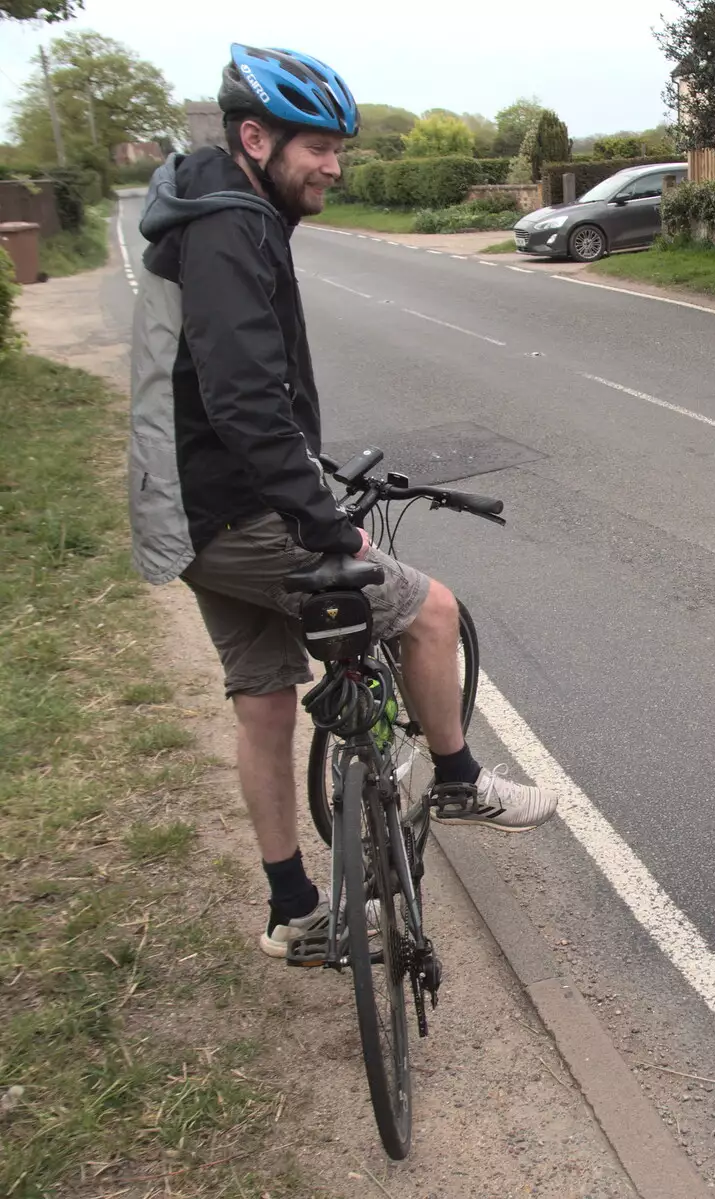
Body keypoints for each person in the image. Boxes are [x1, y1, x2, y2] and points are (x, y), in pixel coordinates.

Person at [128, 44, 555, 962]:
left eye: (341, 150)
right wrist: (322, 518)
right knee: (431, 612)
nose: (334, 166)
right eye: (319, 147)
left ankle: (294, 910)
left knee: (265, 701)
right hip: (238, 515)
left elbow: (220, 386)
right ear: (255, 136)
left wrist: (301, 465)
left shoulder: (210, 211)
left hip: (188, 509)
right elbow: (244, 400)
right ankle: (457, 779)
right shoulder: (231, 227)